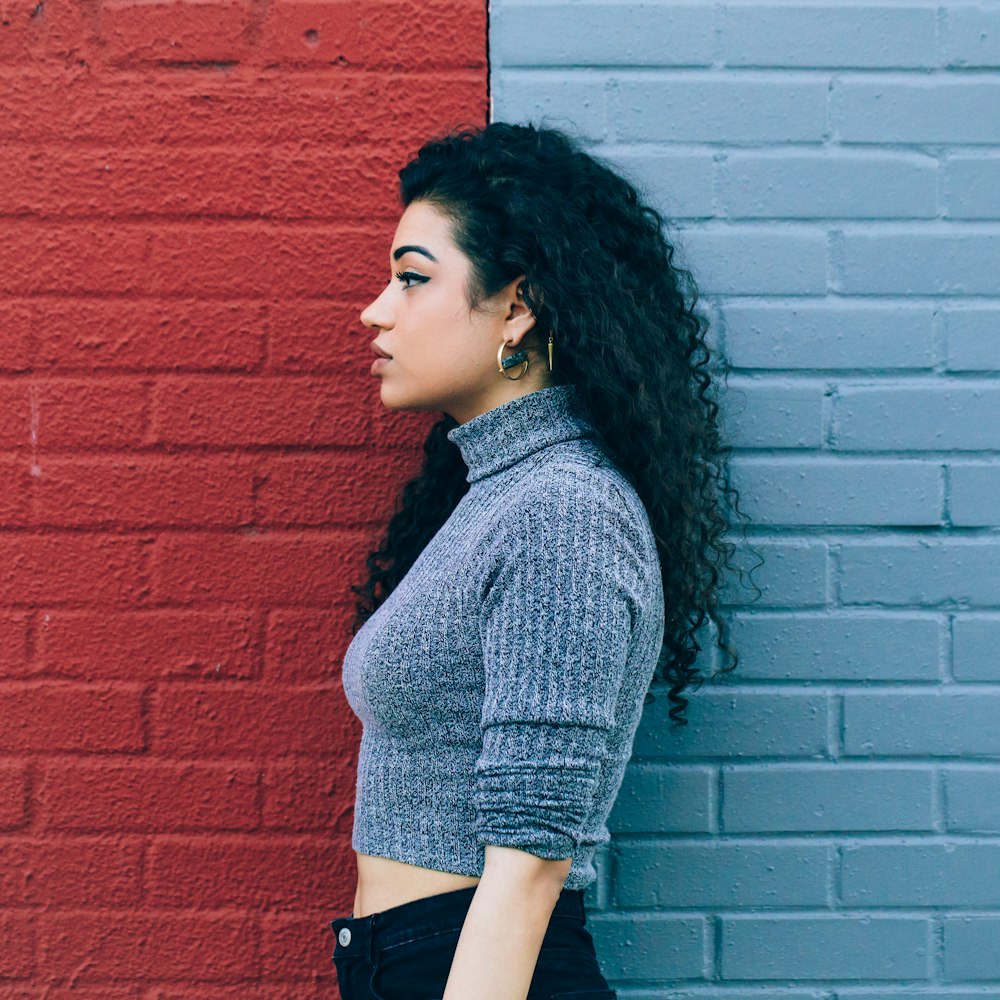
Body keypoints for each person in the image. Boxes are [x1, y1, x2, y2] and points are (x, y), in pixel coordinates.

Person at [328, 121, 754, 1000]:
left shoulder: (563, 512)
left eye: (413, 278)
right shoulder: (493, 493)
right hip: (412, 962)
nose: (378, 309)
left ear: (517, 308)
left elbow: (527, 865)